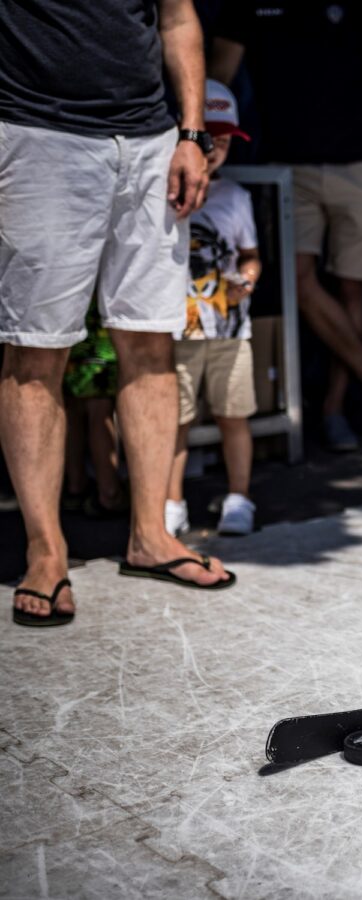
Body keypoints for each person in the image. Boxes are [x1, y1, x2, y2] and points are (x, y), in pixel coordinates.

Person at [1, 0, 234, 628]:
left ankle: (150, 536)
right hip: (36, 133)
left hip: (153, 140)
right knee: (35, 349)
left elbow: (178, 17)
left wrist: (191, 133)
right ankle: (45, 552)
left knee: (151, 342)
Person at [208, 1, 362, 453]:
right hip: (289, 169)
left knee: (351, 289)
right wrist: (202, 142)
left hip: (361, 166)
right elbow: (216, 77)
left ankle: (334, 409)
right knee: (299, 281)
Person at [167, 81, 262, 538]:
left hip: (229, 329)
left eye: (227, 139)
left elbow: (250, 256)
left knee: (234, 415)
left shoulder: (237, 198)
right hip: (176, 330)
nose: (219, 147)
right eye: (211, 137)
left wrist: (249, 279)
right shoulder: (162, 192)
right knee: (174, 420)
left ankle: (239, 497)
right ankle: (170, 503)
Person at [63, 301, 128, 520]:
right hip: (98, 331)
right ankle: (109, 491)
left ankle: (75, 486)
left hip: (71, 324)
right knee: (100, 410)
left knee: (72, 408)